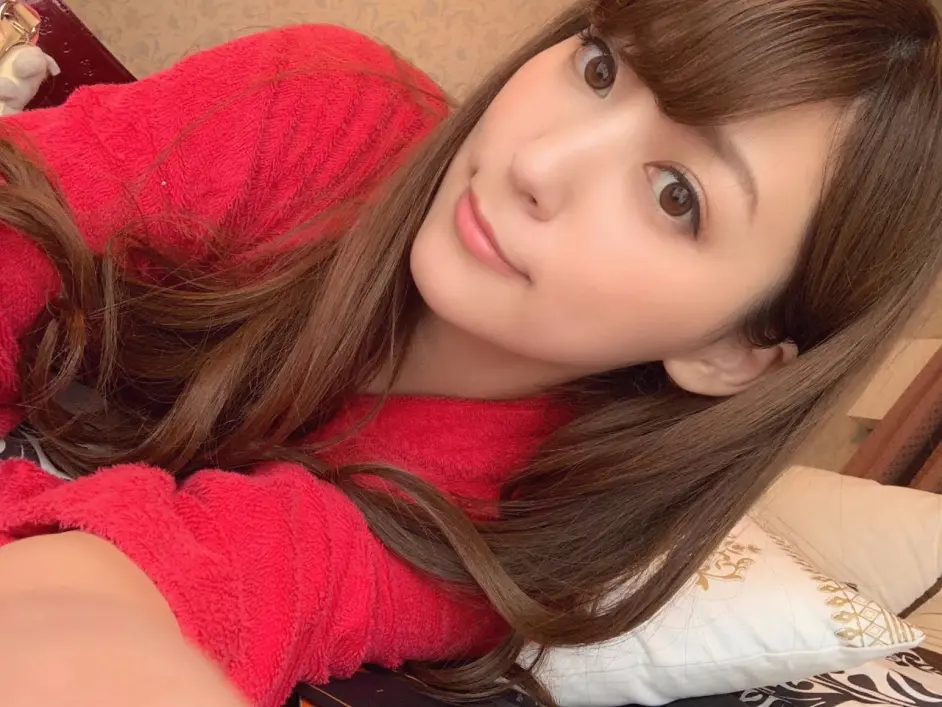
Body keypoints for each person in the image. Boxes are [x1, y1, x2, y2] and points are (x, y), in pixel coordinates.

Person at [0, 0, 939, 704]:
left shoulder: (507, 525)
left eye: (676, 196)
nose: (539, 163)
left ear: (734, 353)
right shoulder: (322, 103)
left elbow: (166, 593)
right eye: (600, 68)